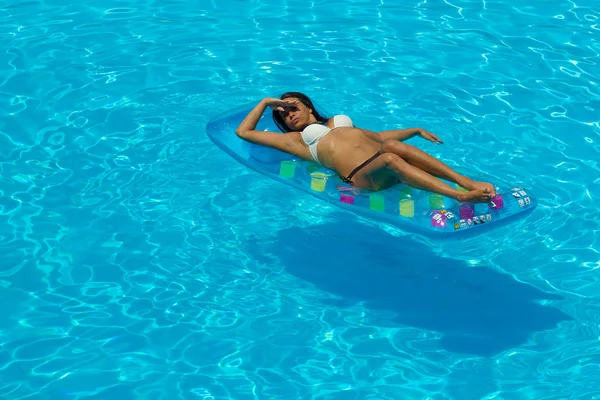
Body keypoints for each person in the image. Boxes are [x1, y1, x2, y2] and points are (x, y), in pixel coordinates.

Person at [235, 92, 497, 203]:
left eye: (292, 108)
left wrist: (414, 131)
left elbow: (380, 138)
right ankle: (460, 196)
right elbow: (243, 132)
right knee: (391, 160)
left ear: (308, 106)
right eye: (283, 115)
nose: (288, 115)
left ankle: (466, 182)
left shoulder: (338, 123)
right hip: (362, 177)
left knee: (392, 147)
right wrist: (266, 102)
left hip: (380, 160)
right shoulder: (296, 140)